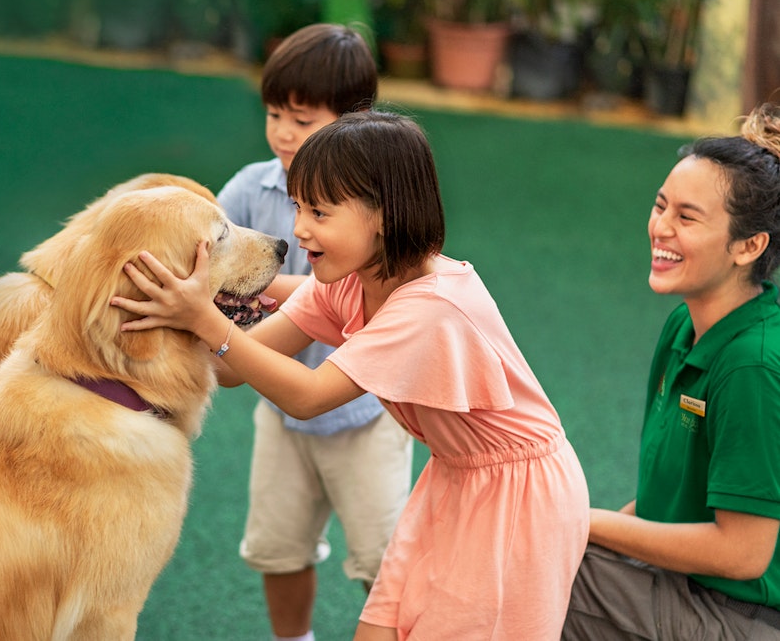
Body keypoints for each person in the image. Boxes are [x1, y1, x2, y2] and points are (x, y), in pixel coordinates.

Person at [112, 110, 590, 639]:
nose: (298, 229)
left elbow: (309, 395)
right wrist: (196, 309)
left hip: (517, 495)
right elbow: (231, 369)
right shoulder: (354, 280)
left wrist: (205, 317)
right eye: (298, 207)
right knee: (383, 627)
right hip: (457, 476)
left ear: (383, 214)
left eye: (319, 211)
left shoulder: (428, 307)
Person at [214, 23, 413, 641]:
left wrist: (235, 300)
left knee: (385, 565)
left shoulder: (377, 203)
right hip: (281, 416)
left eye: (301, 119)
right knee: (278, 548)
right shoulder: (251, 189)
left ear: (356, 121)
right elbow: (210, 259)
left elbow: (344, 295)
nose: (281, 132)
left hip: (365, 418)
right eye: (274, 113)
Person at [563, 102, 780, 639]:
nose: (660, 228)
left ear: (749, 247)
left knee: (540, 574)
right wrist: (583, 533)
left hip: (742, 615)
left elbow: (745, 552)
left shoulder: (752, 364)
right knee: (546, 554)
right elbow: (663, 502)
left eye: (687, 218)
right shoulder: (684, 327)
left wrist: (581, 524)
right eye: (661, 206)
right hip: (685, 584)